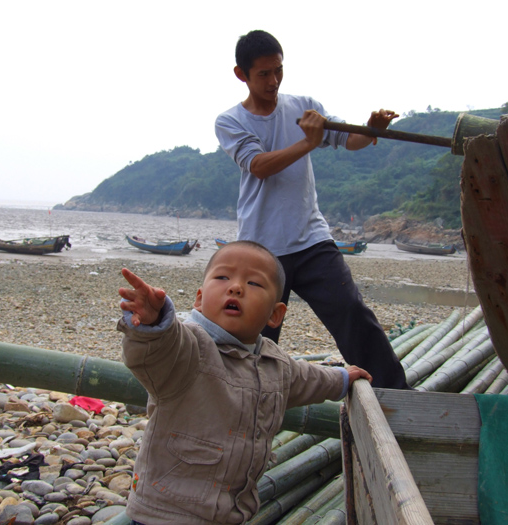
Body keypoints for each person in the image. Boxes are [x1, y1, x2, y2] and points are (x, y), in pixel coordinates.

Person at [117, 240, 372, 524]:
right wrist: (154, 324)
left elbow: (308, 379)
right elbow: (156, 350)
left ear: (275, 314)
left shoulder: (275, 363)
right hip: (166, 512)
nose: (236, 287)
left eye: (254, 283)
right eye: (223, 277)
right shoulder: (189, 347)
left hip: (232, 513)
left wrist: (341, 378)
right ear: (200, 299)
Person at [214, 30, 409, 390]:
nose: (273, 81)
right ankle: (244, 400)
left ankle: (396, 395)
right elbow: (258, 165)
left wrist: (371, 129)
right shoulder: (230, 122)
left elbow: (348, 140)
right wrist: (307, 142)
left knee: (353, 313)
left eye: (278, 70)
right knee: (258, 333)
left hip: (312, 240)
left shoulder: (302, 106)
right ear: (241, 75)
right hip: (262, 249)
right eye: (263, 74)